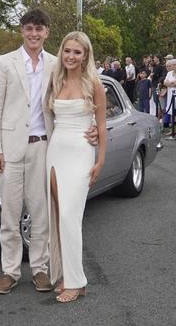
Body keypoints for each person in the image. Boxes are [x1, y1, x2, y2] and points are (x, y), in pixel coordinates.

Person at [0, 9, 96, 295]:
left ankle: (40, 269)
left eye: (40, 29)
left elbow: (81, 95)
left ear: (47, 33)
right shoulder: (3, 63)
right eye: (29, 29)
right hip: (9, 151)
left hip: (45, 147)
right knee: (9, 215)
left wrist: (93, 126)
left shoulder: (56, 64)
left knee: (41, 214)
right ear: (22, 30)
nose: (34, 34)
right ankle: (9, 272)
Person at [45, 31, 106, 303]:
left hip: (81, 152)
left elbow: (101, 126)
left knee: (71, 216)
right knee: (59, 215)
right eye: (67, 51)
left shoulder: (95, 84)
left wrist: (100, 160)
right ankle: (69, 278)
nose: (71, 56)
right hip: (55, 150)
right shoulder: (55, 80)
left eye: (77, 52)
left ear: (86, 56)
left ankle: (77, 281)